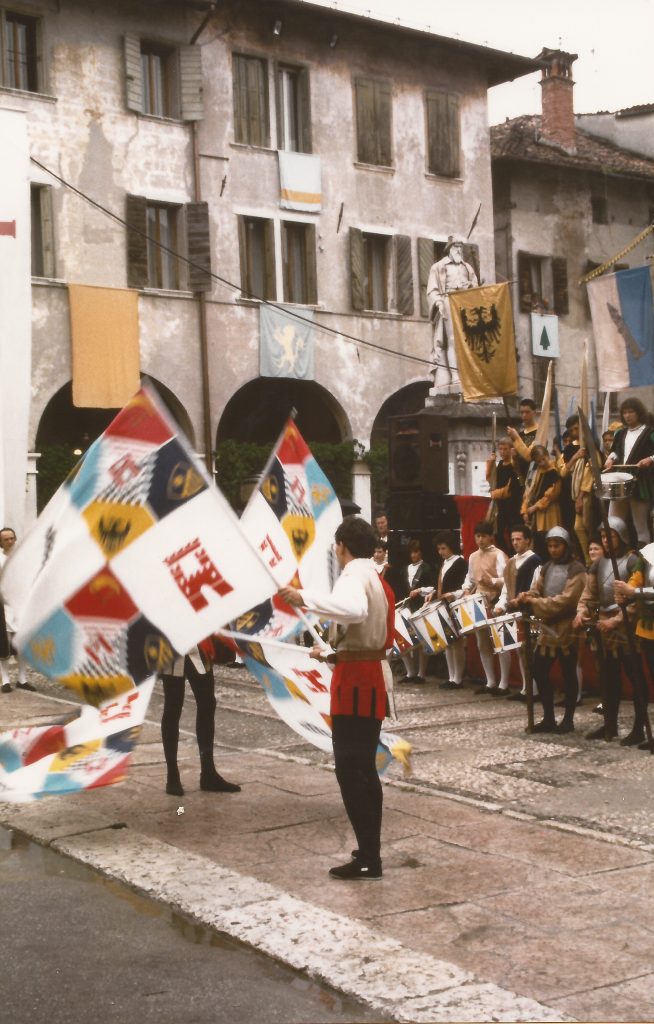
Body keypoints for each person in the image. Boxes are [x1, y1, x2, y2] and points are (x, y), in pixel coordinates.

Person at [280, 516, 394, 881]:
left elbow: (355, 611)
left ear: (342, 546)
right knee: (362, 769)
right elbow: (364, 631)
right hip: (364, 673)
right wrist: (331, 652)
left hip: (358, 682)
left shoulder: (353, 576)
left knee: (350, 769)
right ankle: (368, 851)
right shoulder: (373, 574)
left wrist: (304, 598)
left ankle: (369, 857)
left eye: (335, 544)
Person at [574, 518, 639, 743]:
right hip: (603, 627)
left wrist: (618, 620)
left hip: (627, 629)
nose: (605, 540)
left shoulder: (632, 561)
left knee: (634, 676)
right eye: (602, 536)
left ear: (620, 536)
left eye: (609, 536)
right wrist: (581, 612)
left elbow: (635, 600)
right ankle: (609, 726)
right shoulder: (599, 564)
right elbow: (589, 594)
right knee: (608, 679)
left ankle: (639, 727)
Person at [516, 527, 586, 734]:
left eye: (557, 545)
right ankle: (548, 718)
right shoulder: (546, 567)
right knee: (538, 670)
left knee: (568, 673)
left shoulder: (577, 570)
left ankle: (568, 719)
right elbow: (537, 589)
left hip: (567, 627)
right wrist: (526, 596)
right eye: (550, 545)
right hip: (547, 628)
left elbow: (566, 601)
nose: (553, 549)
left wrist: (535, 603)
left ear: (566, 545)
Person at [160, 644, 241, 797]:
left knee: (208, 703)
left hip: (198, 646)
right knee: (173, 706)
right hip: (172, 647)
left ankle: (208, 773)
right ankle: (172, 775)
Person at [451, 521, 510, 695]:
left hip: (497, 602)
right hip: (478, 604)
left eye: (484, 536)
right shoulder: (473, 556)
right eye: (478, 536)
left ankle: (504, 684)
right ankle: (491, 681)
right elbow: (469, 579)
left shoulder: (499, 555)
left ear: (491, 536)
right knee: (482, 642)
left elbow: (506, 580)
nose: (480, 540)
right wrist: (466, 590)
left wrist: (490, 581)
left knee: (501, 643)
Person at [494, 523, 542, 702]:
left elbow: (536, 586)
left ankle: (534, 690)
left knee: (530, 650)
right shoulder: (511, 562)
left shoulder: (535, 561)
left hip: (530, 611)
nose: (515, 542)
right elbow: (506, 588)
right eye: (513, 539)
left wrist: (523, 599)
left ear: (528, 540)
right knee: (521, 651)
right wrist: (501, 604)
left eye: (519, 539)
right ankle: (526, 688)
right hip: (515, 611)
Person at [615, 540, 654, 750]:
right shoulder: (647, 554)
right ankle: (644, 732)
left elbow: (637, 591)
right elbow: (635, 580)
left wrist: (633, 594)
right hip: (648, 627)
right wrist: (624, 592)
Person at [426, 237, 478, 394]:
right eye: (456, 246)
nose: (459, 249)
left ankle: (468, 375)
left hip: (466, 303)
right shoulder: (438, 267)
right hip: (449, 301)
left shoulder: (468, 268)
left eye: (461, 246)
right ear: (449, 248)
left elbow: (475, 285)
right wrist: (439, 303)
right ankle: (455, 376)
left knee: (469, 341)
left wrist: (471, 287)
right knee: (453, 340)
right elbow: (432, 290)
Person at [603, 396, 654, 546]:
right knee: (613, 523)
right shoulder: (620, 433)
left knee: (640, 525)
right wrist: (610, 459)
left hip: (640, 482)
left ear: (639, 412)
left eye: (631, 411)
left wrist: (650, 459)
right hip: (620, 480)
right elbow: (616, 451)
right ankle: (618, 557)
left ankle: (642, 564)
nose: (627, 415)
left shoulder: (650, 432)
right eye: (624, 412)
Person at [0, 527, 36, 693]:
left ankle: (22, 678)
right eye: (6, 539)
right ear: (0, 542)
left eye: (12, 538)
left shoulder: (24, 558)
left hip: (21, 604)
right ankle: (5, 681)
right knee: (4, 644)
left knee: (22, 642)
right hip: (3, 606)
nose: (10, 541)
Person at [431, 531, 468, 690]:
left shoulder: (461, 562)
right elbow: (440, 585)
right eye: (439, 549)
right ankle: (451, 676)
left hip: (455, 605)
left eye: (444, 548)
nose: (441, 552)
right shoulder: (444, 563)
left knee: (457, 643)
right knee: (447, 642)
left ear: (451, 547)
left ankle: (458, 678)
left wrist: (453, 594)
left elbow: (466, 587)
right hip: (443, 605)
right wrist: (433, 594)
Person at [400, 539, 437, 683]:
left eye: (416, 552)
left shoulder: (427, 568)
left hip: (421, 606)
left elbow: (434, 588)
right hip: (407, 607)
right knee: (405, 639)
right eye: (411, 552)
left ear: (421, 553)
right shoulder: (405, 569)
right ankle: (410, 672)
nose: (413, 555)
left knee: (422, 641)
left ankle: (421, 674)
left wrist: (420, 590)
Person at [520, 445, 562, 559]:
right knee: (537, 540)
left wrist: (535, 507)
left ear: (547, 456)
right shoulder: (535, 472)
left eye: (544, 459)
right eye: (539, 461)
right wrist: (525, 510)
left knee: (548, 536)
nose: (543, 463)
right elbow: (528, 491)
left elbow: (552, 494)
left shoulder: (553, 472)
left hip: (548, 511)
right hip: (535, 513)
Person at [486, 436, 523, 554]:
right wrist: (490, 463)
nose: (502, 452)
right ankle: (506, 553)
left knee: (513, 531)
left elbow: (509, 489)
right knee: (498, 533)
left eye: (505, 449)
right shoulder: (500, 464)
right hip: (501, 506)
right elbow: (492, 480)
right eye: (500, 449)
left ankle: (514, 553)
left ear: (511, 449)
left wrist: (495, 494)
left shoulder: (514, 465)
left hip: (513, 505)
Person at [507, 399, 540, 482]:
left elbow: (530, 457)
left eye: (527, 412)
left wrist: (517, 438)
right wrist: (514, 458)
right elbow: (515, 464)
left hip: (534, 478)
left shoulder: (540, 432)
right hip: (521, 479)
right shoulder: (520, 433)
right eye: (522, 412)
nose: (524, 415)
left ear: (534, 412)